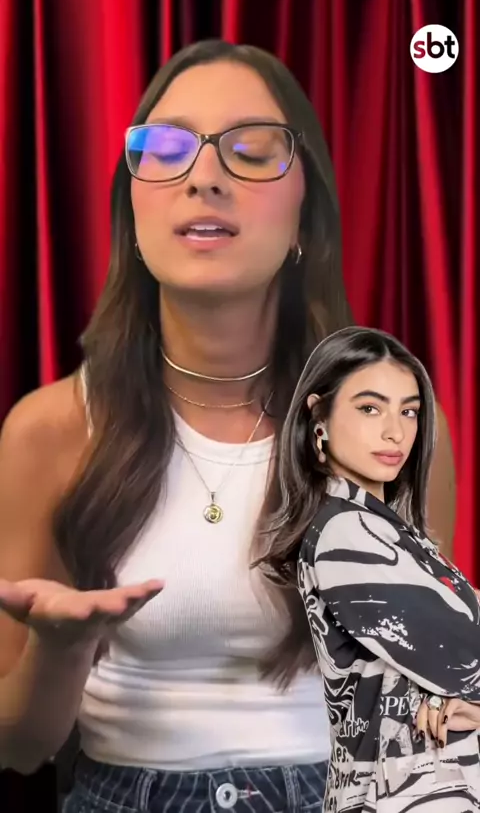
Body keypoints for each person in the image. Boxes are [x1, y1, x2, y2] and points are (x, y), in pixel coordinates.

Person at [0, 40, 455, 812]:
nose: (203, 176)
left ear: (306, 220)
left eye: (251, 151)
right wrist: (60, 646)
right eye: (166, 149)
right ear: (132, 213)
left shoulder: (393, 423)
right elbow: (17, 746)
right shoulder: (49, 430)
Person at [258, 326, 480, 812]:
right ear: (318, 418)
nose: (395, 432)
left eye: (409, 411)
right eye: (370, 408)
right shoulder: (345, 533)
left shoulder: (394, 533)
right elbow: (463, 649)